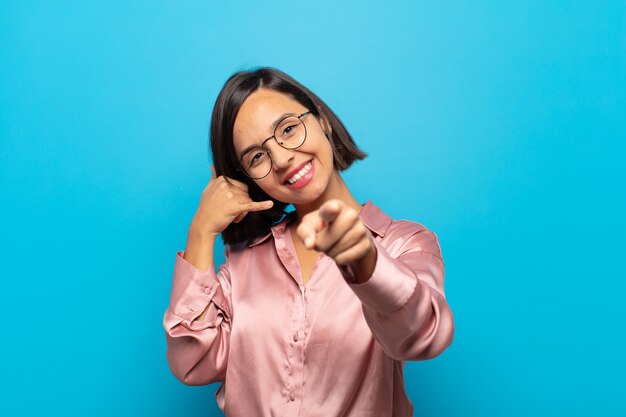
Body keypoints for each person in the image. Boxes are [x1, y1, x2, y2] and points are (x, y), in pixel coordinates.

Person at [163, 67, 455, 417]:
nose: (283, 158)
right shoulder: (242, 262)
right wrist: (200, 232)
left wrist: (366, 262)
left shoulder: (404, 243)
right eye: (257, 156)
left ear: (322, 122)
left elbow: (424, 335)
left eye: (288, 129)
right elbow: (193, 362)